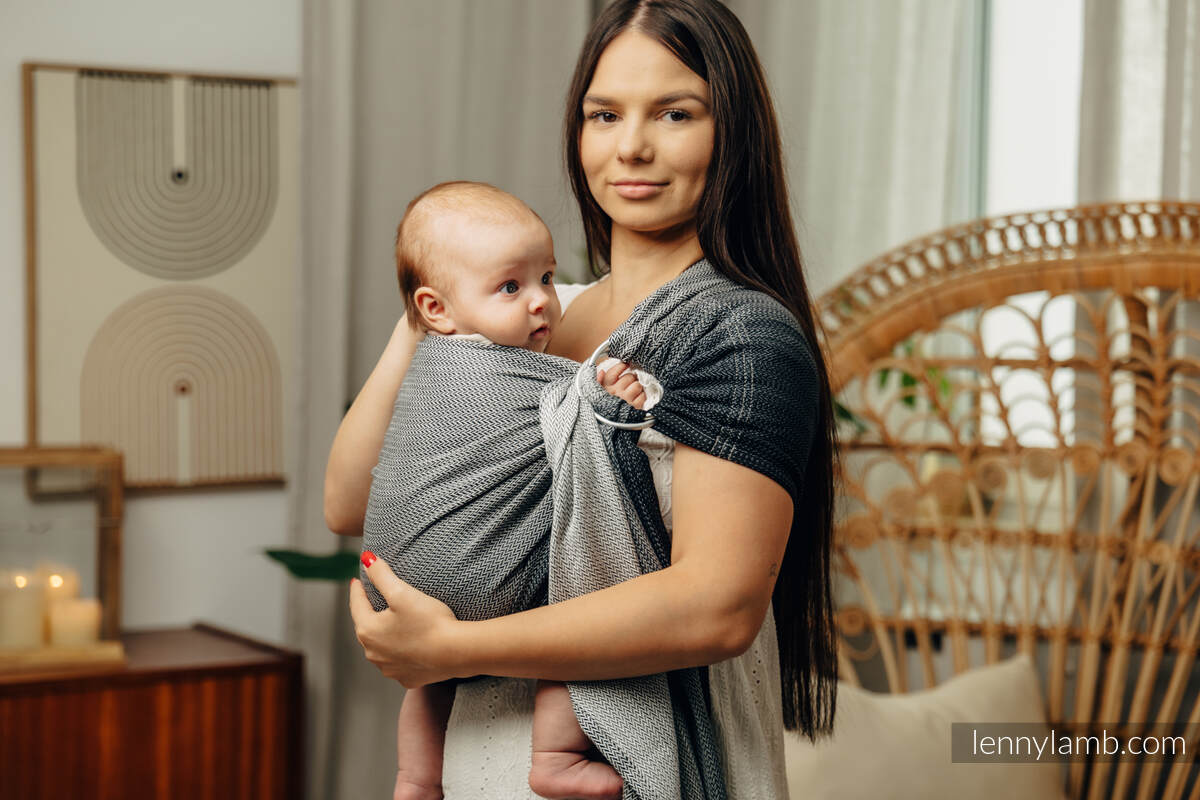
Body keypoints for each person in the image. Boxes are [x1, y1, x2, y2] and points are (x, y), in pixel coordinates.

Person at [328, 1, 840, 796]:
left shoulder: (735, 334)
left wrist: (449, 651)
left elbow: (718, 608)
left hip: (640, 771)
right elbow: (350, 502)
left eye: (675, 113)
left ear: (730, 130)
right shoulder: (530, 315)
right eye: (604, 114)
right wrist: (428, 303)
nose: (631, 145)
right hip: (480, 769)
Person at [367, 180, 652, 800]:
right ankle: (554, 757)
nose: (542, 303)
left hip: (398, 583)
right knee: (577, 599)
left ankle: (415, 778)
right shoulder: (497, 370)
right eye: (510, 287)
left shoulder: (424, 368)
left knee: (431, 677)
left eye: (546, 278)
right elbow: (578, 422)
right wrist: (610, 404)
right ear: (434, 309)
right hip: (479, 576)